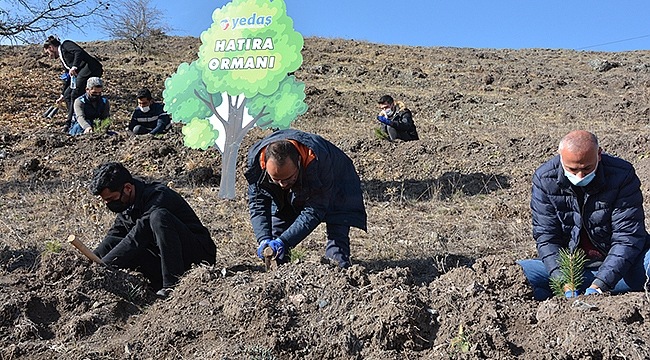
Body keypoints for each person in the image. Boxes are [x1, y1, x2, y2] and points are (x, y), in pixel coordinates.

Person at [518, 130, 650, 300]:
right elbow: (547, 237)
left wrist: (600, 284)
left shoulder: (621, 175)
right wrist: (565, 281)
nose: (579, 176)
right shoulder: (545, 179)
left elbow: (627, 236)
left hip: (624, 267)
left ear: (599, 155)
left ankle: (608, 291)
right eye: (572, 169)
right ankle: (559, 301)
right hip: (572, 269)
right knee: (517, 274)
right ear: (560, 157)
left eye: (587, 169)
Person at [89, 162, 217, 297]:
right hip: (164, 259)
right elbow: (113, 237)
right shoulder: (127, 205)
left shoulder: (159, 196)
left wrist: (105, 266)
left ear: (127, 188)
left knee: (158, 217)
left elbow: (137, 237)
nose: (108, 204)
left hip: (196, 256)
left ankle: (171, 286)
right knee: (119, 246)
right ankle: (157, 284)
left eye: (111, 199)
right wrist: (92, 262)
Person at [244, 129, 367, 269]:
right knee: (275, 244)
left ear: (298, 161)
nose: (283, 184)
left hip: (338, 184)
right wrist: (263, 239)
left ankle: (337, 272)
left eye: (288, 178)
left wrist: (284, 241)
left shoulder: (318, 160)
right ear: (265, 165)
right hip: (299, 181)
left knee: (337, 253)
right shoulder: (257, 163)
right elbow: (258, 203)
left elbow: (314, 210)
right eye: (276, 179)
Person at [43, 36, 104, 132]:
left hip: (91, 68)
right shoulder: (64, 60)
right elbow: (69, 78)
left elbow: (78, 52)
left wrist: (74, 67)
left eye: (48, 53)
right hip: (81, 72)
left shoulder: (66, 45)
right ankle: (73, 117)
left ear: (51, 47)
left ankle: (71, 122)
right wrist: (62, 95)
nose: (49, 56)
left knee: (75, 93)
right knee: (68, 95)